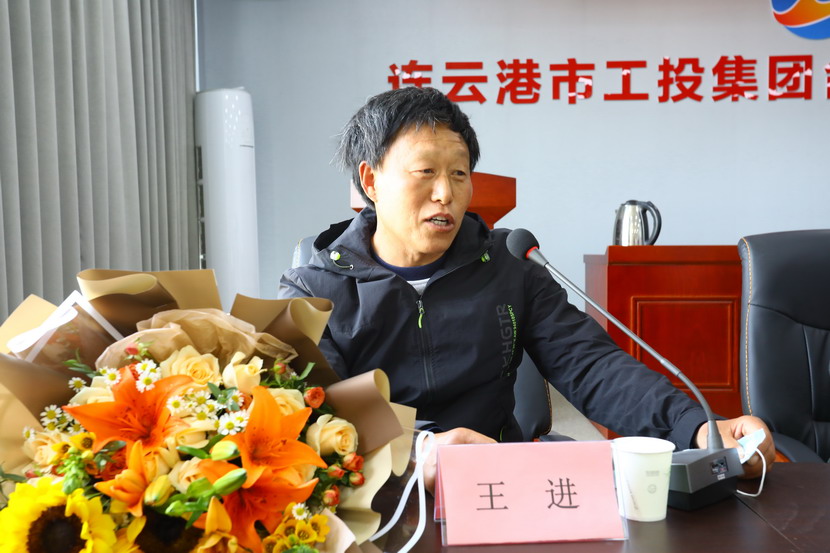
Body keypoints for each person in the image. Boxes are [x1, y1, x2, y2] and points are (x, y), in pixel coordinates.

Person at [279, 87, 775, 491]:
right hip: (371, 495)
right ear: (371, 181)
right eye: (425, 172)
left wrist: (697, 426)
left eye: (459, 174)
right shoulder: (312, 291)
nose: (445, 193)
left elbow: (591, 366)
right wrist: (416, 452)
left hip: (500, 485)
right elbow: (312, 412)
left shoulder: (509, 265)